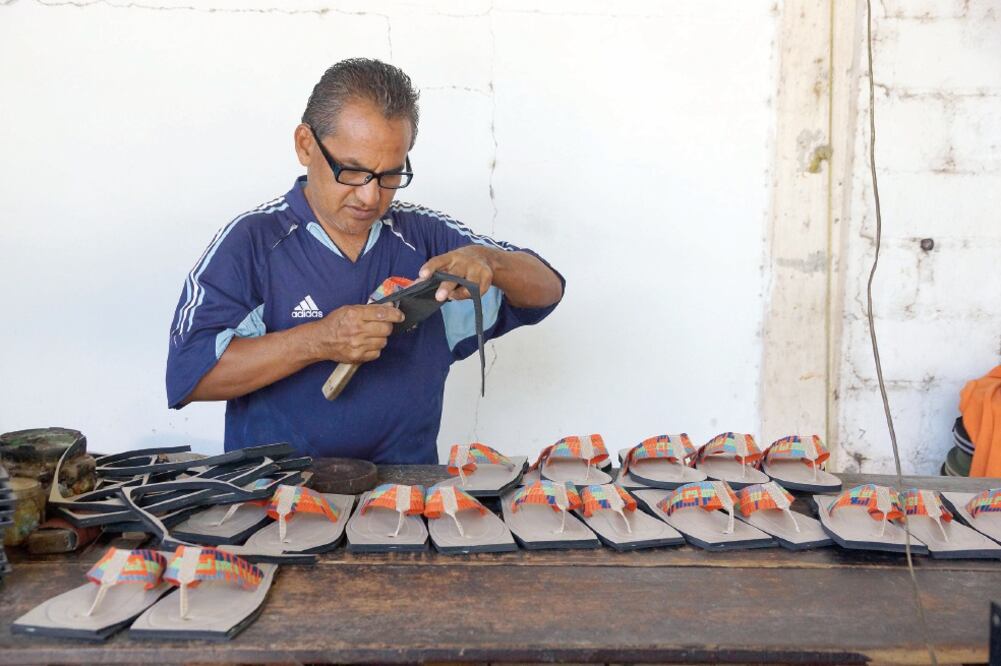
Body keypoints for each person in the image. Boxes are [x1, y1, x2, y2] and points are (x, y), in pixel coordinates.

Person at [165, 58, 564, 463]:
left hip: (406, 499)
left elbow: (547, 290)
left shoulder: (424, 237)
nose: (371, 197)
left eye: (391, 174)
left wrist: (491, 262)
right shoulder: (252, 243)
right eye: (352, 171)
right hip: (276, 499)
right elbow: (189, 376)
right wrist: (317, 341)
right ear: (306, 144)